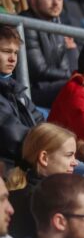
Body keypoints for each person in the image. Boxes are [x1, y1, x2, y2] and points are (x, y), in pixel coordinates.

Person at [22, 0, 77, 107]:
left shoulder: (58, 25)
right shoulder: (24, 23)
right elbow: (38, 70)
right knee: (78, 87)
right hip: (34, 90)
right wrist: (71, 75)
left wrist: (71, 74)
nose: (56, 3)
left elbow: (65, 66)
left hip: (54, 86)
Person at [0, 25, 44, 169]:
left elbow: (39, 121)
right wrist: (50, 147)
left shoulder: (13, 87)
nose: (13, 59)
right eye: (6, 52)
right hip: (10, 167)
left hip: (27, 160)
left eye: (15, 53)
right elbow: (12, 135)